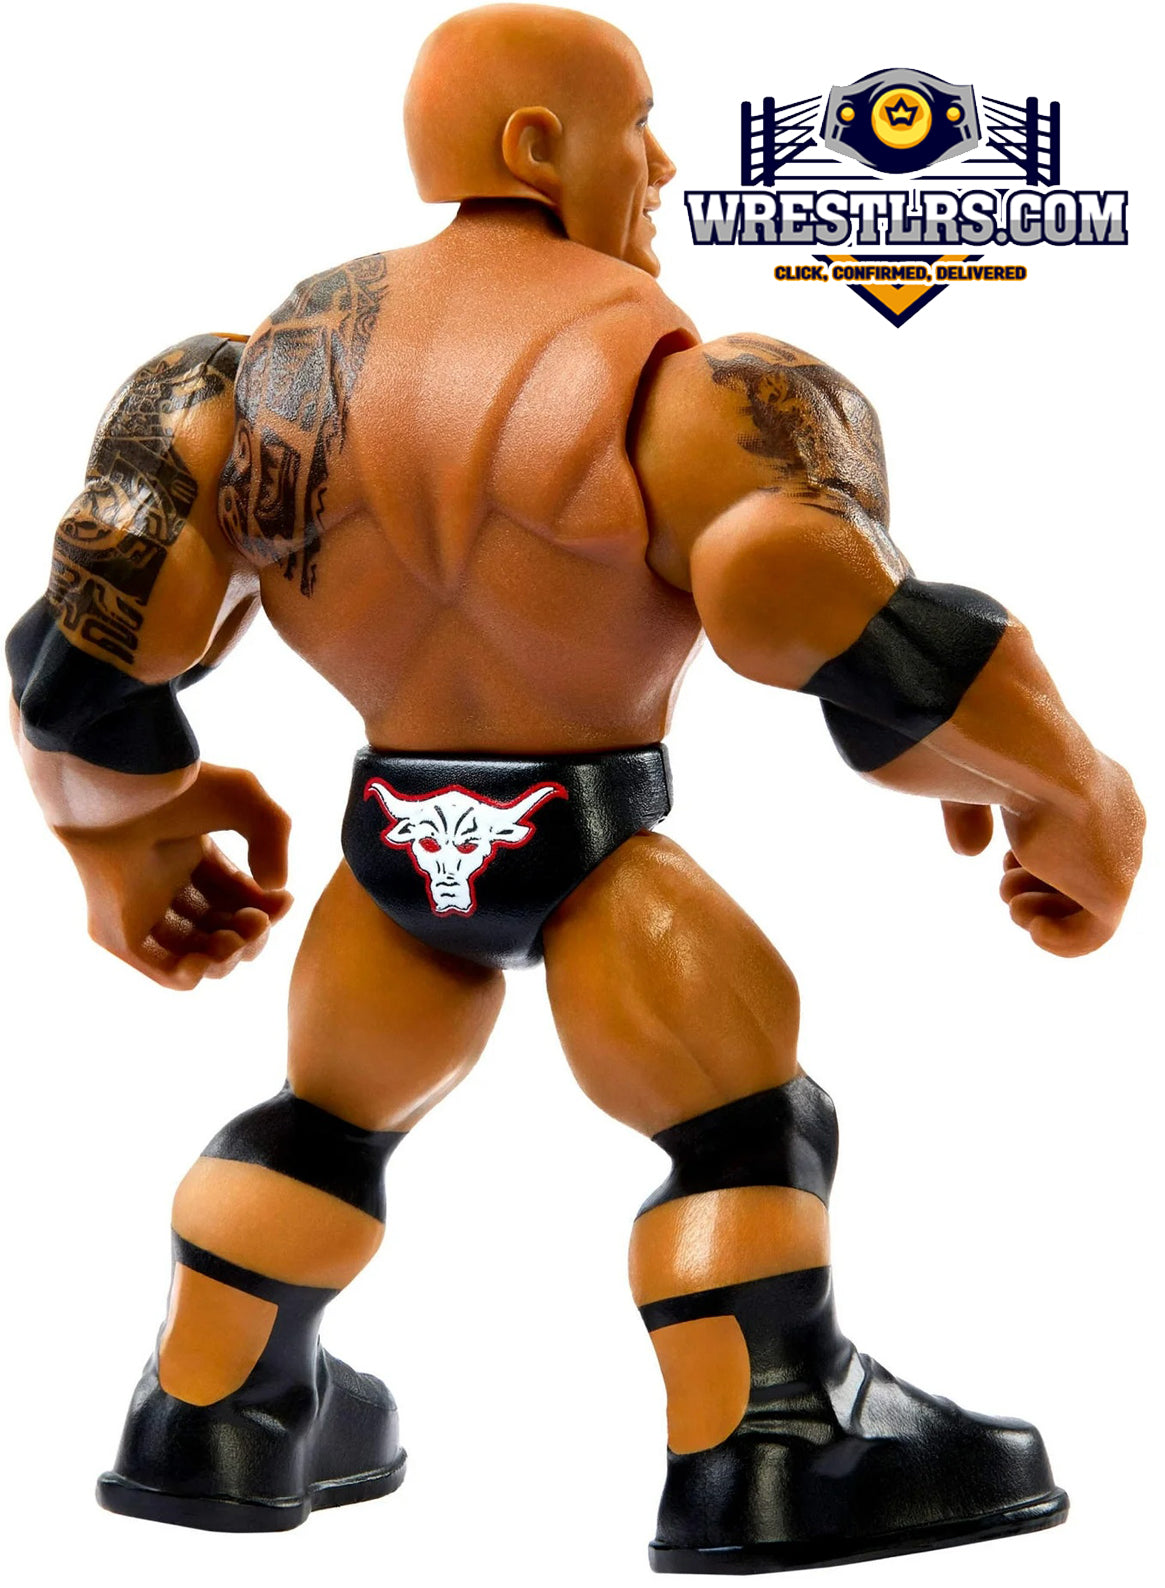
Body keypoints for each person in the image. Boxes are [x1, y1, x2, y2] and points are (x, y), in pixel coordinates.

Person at [6, 3, 1143, 1571]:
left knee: (327, 1115)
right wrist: (1070, 790)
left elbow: (84, 649)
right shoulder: (685, 382)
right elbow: (828, 619)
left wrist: (120, 834)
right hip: (592, 848)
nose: (663, 168)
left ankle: (213, 1406)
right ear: (539, 145)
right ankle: (769, 1438)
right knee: (745, 1119)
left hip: (394, 847)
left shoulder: (253, 380)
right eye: (642, 127)